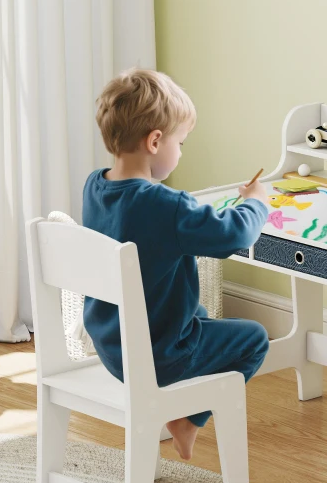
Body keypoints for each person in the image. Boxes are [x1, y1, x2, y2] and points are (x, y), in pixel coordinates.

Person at [83, 68, 270, 460]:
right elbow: (235, 235)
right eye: (180, 142)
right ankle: (188, 420)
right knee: (254, 338)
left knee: (199, 313)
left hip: (112, 344)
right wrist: (257, 201)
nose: (181, 152)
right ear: (155, 141)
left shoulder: (95, 186)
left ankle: (183, 416)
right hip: (158, 355)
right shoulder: (164, 205)